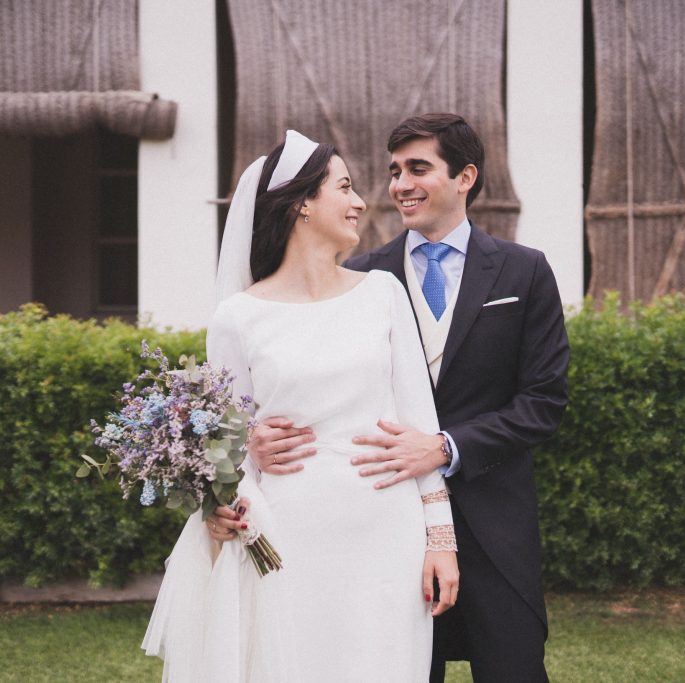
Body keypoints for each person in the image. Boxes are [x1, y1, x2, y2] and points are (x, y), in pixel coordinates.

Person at [218, 114, 570, 681]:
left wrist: (445, 446)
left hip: (495, 523)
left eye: (418, 169)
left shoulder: (523, 272)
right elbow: (294, 384)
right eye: (393, 171)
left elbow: (544, 402)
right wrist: (250, 437)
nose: (399, 184)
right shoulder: (359, 277)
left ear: (465, 177)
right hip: (383, 530)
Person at [142, 130, 459, 682]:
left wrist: (441, 541)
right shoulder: (237, 318)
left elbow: (421, 428)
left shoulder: (383, 294)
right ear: (302, 203)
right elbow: (224, 443)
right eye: (345, 186)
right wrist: (234, 477)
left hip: (386, 533)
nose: (361, 201)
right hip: (287, 534)